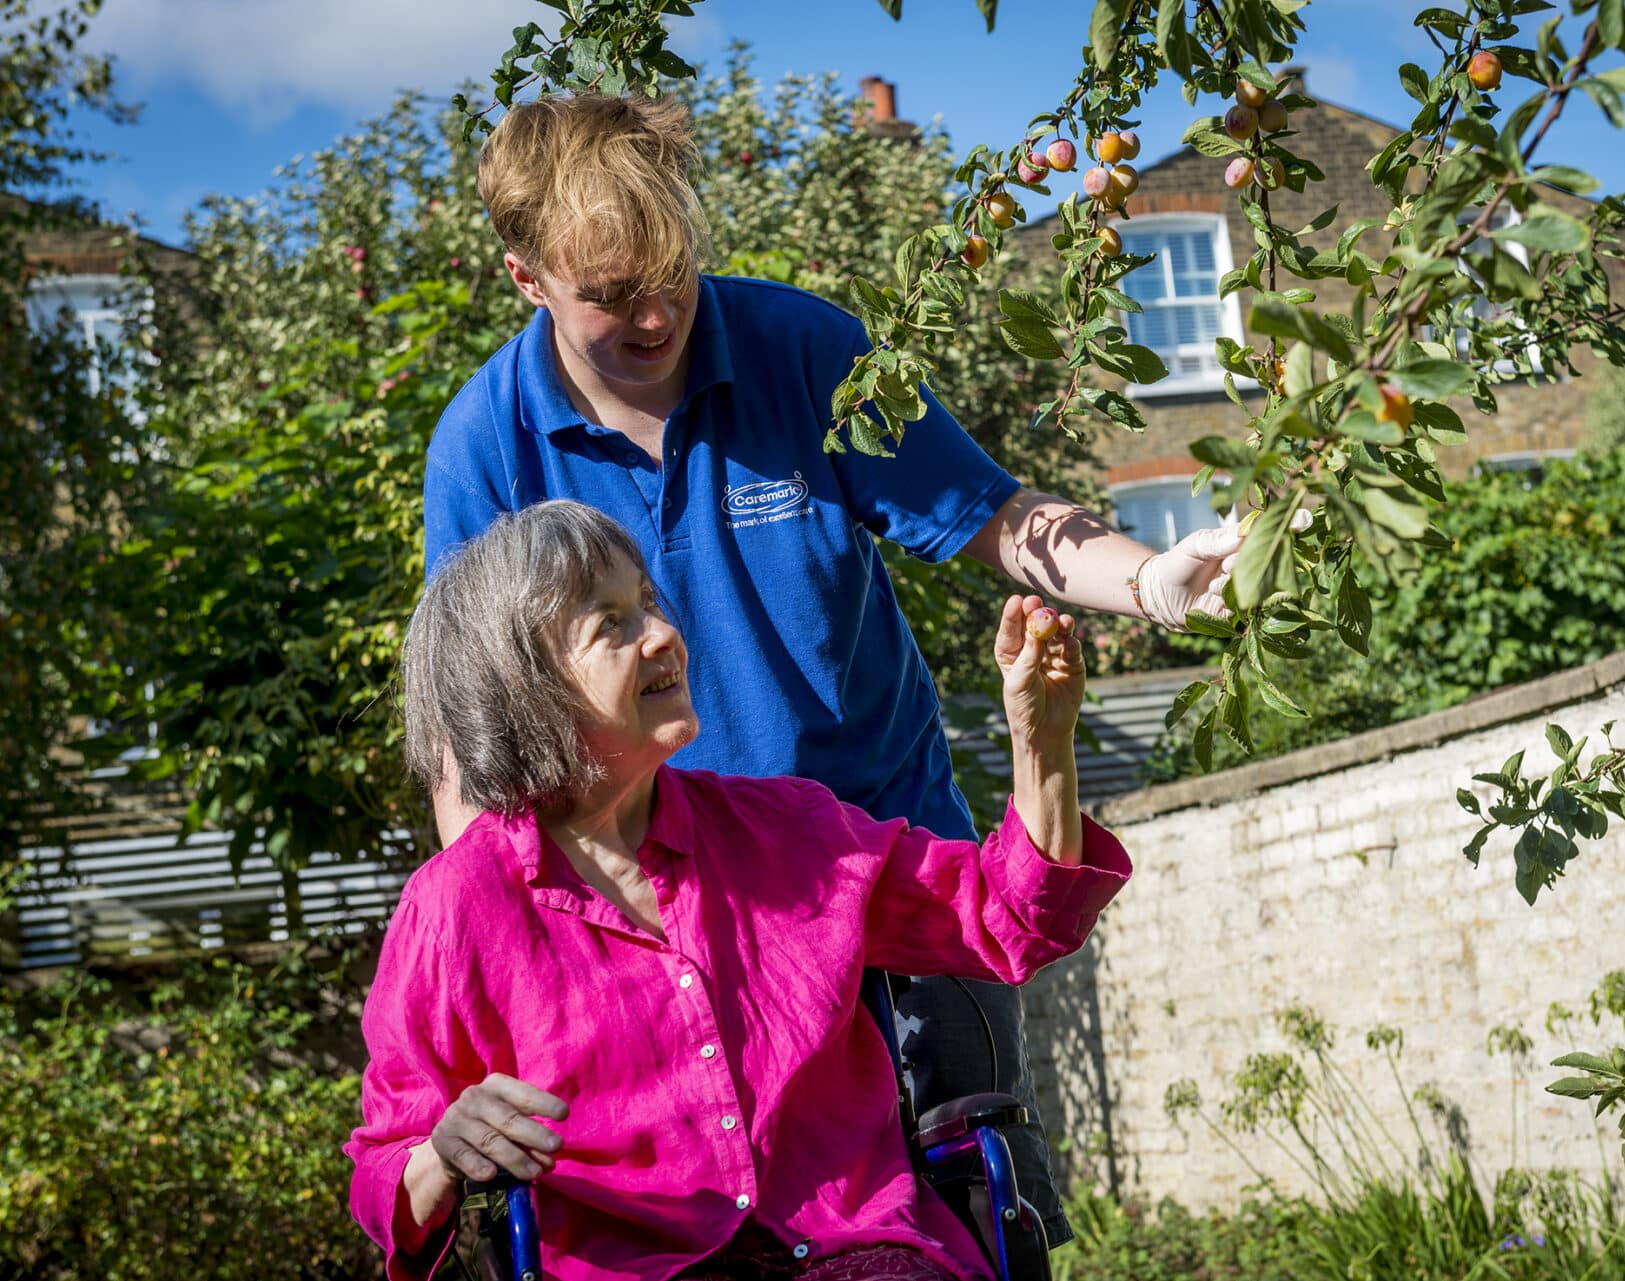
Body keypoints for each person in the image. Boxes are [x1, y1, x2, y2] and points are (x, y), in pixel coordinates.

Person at [422, 92, 1237, 1247]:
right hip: (673, 934)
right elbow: (475, 744)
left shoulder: (804, 352)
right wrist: (506, 948)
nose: (657, 315)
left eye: (673, 273)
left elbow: (992, 514)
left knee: (967, 1217)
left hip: (897, 878)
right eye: (611, 295)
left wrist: (1155, 580)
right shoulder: (482, 447)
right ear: (527, 278)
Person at [346, 500, 1131, 1281]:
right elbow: (386, 1169)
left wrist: (1041, 742)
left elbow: (1008, 916)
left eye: (649, 602)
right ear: (525, 692)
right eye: (609, 624)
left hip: (854, 1255)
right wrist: (441, 1154)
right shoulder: (457, 906)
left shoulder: (786, 831)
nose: (661, 635)